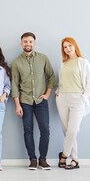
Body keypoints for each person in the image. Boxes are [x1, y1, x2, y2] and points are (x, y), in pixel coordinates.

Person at [11, 32, 55, 170]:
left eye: (30, 41)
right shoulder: (17, 62)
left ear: (34, 43)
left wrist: (47, 94)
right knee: (28, 131)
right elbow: (14, 85)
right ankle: (32, 159)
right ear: (21, 44)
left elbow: (51, 77)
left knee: (45, 130)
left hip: (41, 101)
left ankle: (43, 159)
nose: (28, 44)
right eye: (25, 41)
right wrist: (17, 105)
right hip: (25, 101)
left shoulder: (43, 58)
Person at [56, 37, 90, 169]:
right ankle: (75, 159)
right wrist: (58, 92)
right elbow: (61, 81)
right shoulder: (63, 64)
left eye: (69, 46)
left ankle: (64, 156)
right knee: (66, 130)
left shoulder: (83, 62)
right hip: (62, 98)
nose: (67, 49)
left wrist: (84, 96)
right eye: (65, 47)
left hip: (77, 99)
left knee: (73, 130)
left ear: (75, 46)